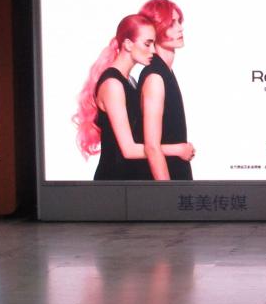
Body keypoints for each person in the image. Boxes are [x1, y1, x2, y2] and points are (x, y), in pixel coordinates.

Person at [72, 14, 194, 180]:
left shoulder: (129, 81)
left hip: (129, 179)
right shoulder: (113, 85)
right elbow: (129, 150)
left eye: (153, 43)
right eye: (147, 43)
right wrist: (177, 149)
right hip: (114, 181)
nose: (153, 50)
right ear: (128, 44)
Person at [138, 0, 195, 180]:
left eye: (179, 21)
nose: (180, 28)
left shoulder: (165, 71)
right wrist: (167, 195)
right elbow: (152, 147)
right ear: (155, 30)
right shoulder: (155, 76)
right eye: (172, 24)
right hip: (165, 182)